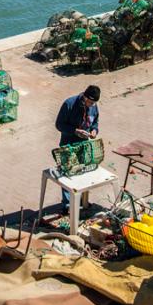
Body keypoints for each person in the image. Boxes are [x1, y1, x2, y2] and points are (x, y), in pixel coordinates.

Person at [55, 85, 101, 213]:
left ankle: (82, 200)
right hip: (68, 144)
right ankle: (67, 204)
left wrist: (94, 130)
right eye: (89, 102)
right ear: (84, 97)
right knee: (68, 174)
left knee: (83, 172)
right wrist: (75, 131)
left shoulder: (93, 107)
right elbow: (59, 124)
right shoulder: (69, 104)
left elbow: (95, 121)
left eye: (93, 103)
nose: (91, 105)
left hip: (84, 145)